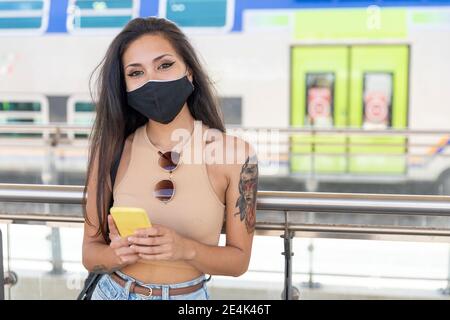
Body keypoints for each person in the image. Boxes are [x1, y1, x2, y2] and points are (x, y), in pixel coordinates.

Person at [81, 17, 259, 300]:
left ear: (189, 71)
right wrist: (117, 253)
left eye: (164, 65)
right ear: (124, 87)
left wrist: (184, 249)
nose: (151, 80)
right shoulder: (110, 149)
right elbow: (90, 253)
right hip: (112, 292)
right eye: (136, 73)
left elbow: (239, 262)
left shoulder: (236, 155)